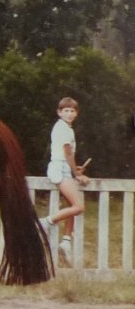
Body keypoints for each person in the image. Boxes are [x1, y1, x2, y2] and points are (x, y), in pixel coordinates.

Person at [39, 97, 90, 267]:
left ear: (77, 113)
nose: (69, 113)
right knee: (79, 206)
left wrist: (75, 168)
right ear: (59, 112)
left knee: (71, 205)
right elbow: (67, 153)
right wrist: (76, 174)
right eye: (65, 110)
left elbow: (68, 155)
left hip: (64, 167)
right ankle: (45, 223)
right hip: (59, 168)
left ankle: (66, 241)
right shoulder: (62, 128)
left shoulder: (67, 128)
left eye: (72, 111)